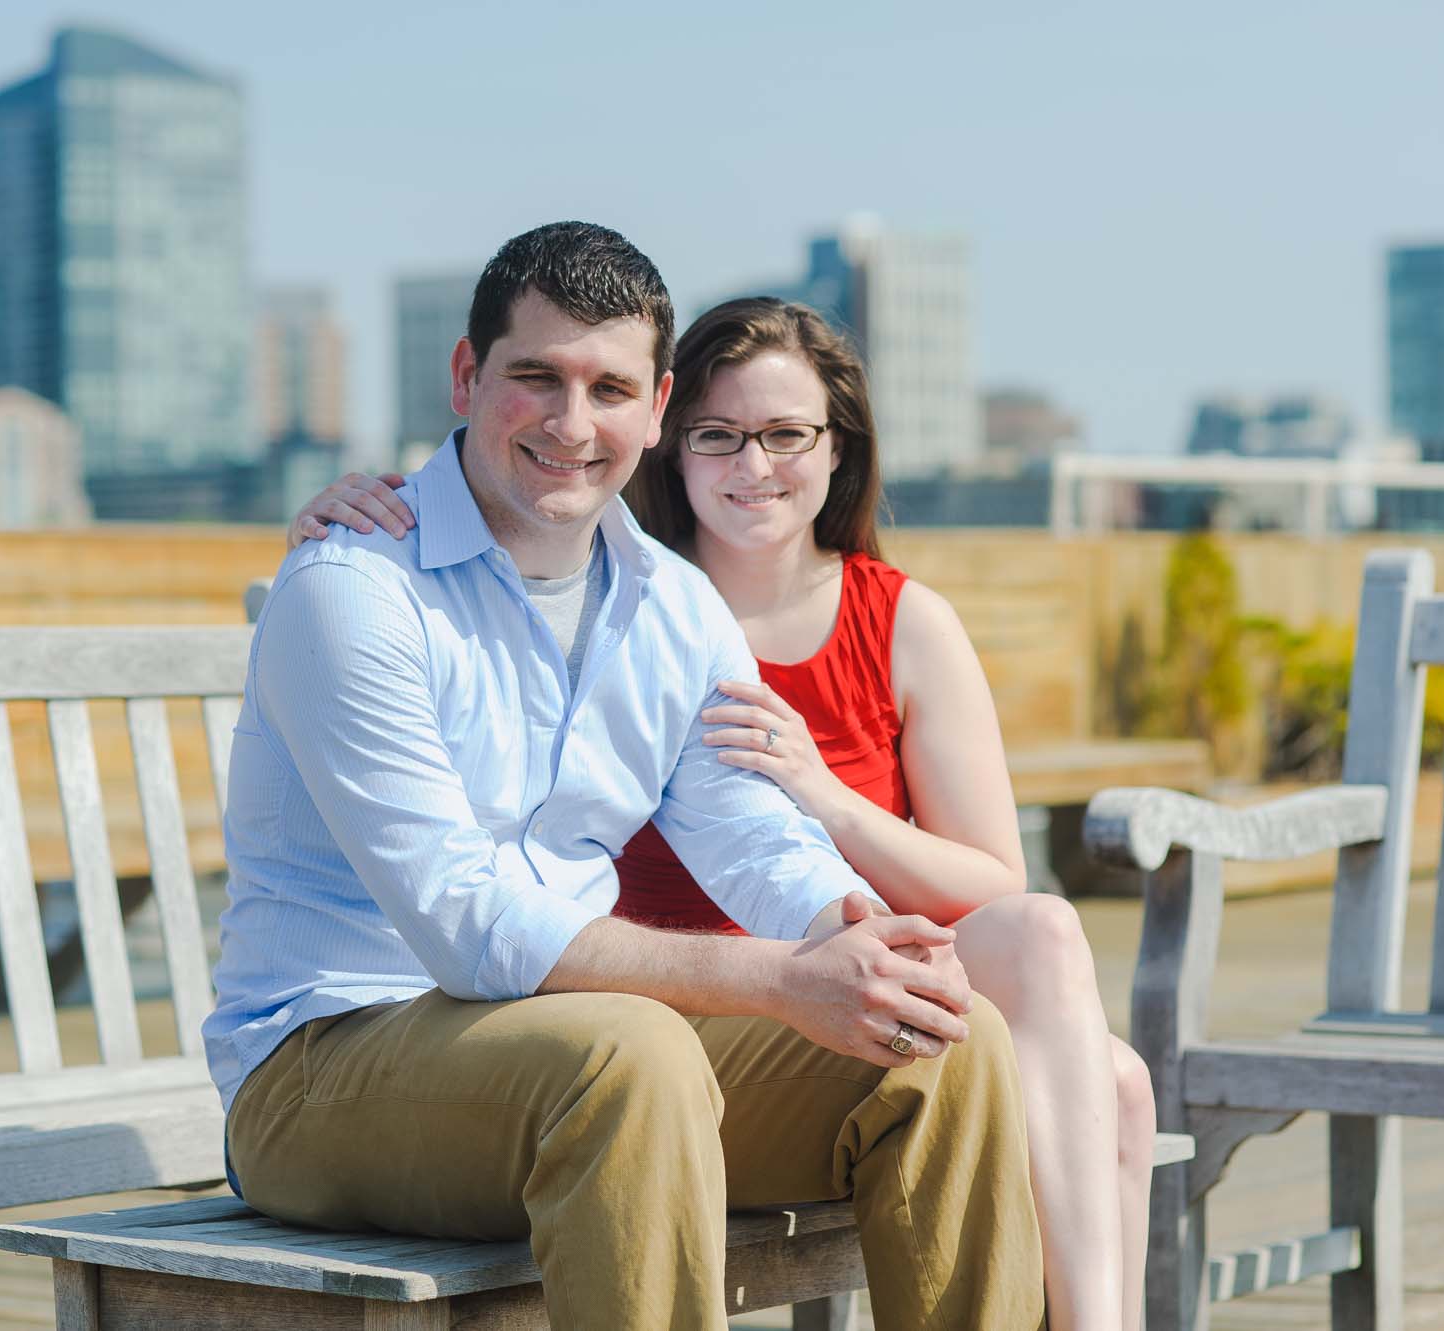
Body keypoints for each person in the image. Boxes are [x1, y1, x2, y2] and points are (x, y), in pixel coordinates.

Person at [213, 222, 1044, 1331]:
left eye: (607, 387)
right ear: (466, 378)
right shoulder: (355, 590)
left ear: (654, 410)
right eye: (533, 377)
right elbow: (462, 920)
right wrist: (783, 979)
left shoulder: (673, 604)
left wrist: (849, 935)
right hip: (327, 1063)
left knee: (941, 1035)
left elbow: (751, 833)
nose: (569, 424)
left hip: (579, 1058)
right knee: (631, 1048)